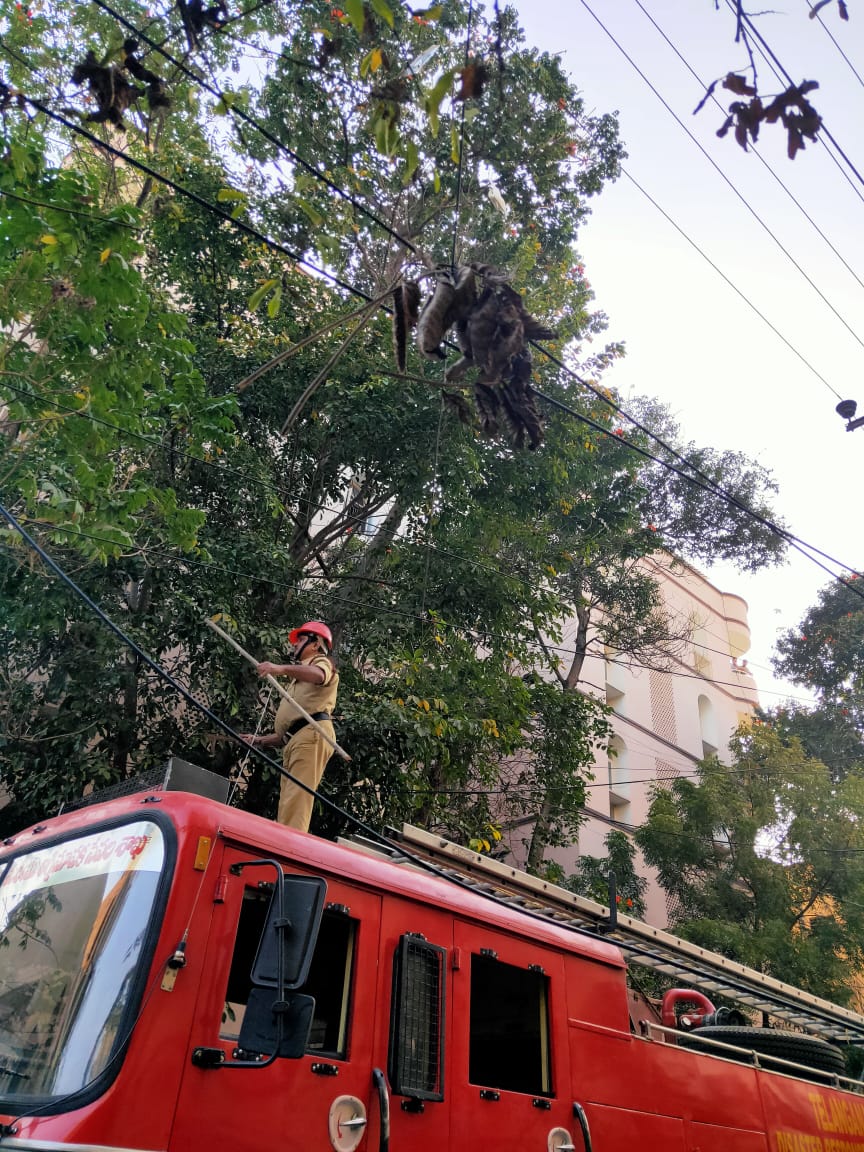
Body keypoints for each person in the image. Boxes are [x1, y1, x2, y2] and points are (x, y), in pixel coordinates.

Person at [240, 621, 338, 833]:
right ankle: (286, 840)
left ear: (316, 643)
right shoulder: (299, 678)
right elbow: (288, 731)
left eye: (301, 640)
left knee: (297, 800)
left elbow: (320, 676)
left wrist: (280, 668)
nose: (295, 645)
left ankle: (289, 847)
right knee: (288, 800)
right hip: (298, 739)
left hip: (312, 735)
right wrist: (258, 740)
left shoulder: (321, 663)